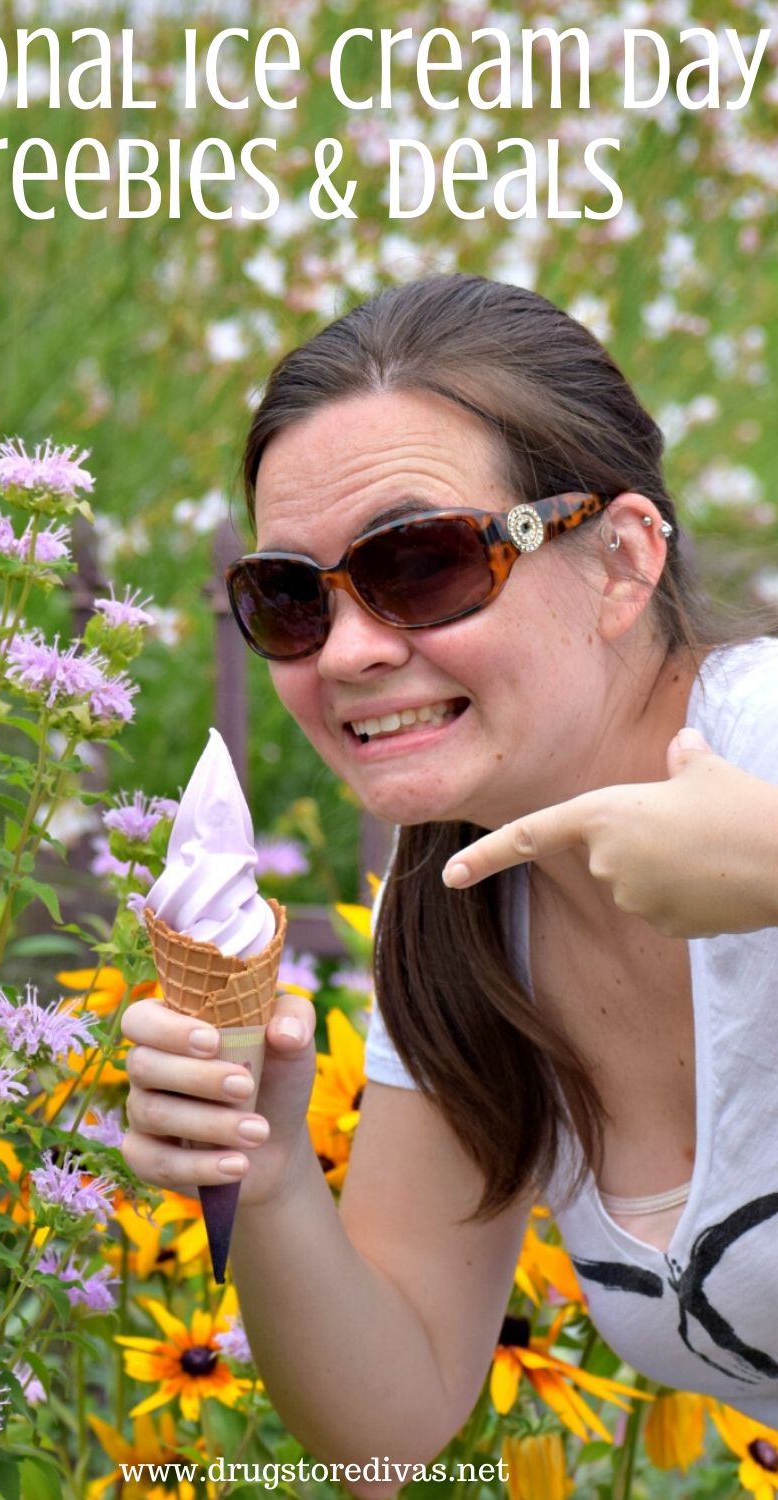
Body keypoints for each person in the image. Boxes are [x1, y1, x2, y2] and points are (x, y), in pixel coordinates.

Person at [120, 274, 778, 1496]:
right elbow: (390, 1423)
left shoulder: (763, 743)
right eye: (289, 599)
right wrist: (262, 1168)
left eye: (420, 563)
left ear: (622, 561)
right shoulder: (463, 921)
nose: (352, 650)